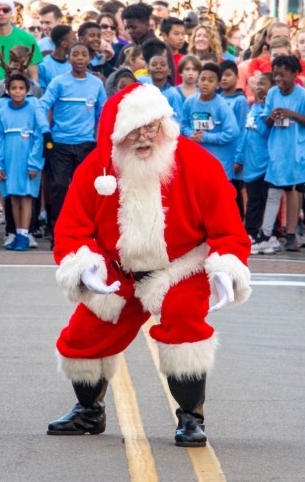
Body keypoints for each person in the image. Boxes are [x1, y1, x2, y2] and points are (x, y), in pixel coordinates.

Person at [47, 82, 251, 447]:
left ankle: (190, 417)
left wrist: (225, 267)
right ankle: (89, 411)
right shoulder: (97, 170)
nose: (143, 138)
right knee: (82, 336)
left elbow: (228, 230)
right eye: (133, 131)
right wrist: (85, 266)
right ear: (116, 134)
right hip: (118, 271)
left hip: (179, 268)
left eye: (151, 127)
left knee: (184, 324)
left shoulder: (198, 164)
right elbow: (71, 230)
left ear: (164, 124)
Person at [259, 55, 305, 257]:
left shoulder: (304, 96)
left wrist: (292, 114)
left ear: (294, 74)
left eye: (282, 75)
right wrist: (271, 117)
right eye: (275, 74)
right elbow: (266, 121)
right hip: (279, 153)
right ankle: (265, 236)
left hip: (301, 154)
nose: (278, 79)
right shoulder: (272, 94)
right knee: (273, 194)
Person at [40, 42, 106, 248]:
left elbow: (103, 112)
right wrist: (46, 132)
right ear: (68, 59)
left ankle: (85, 233)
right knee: (59, 186)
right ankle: (57, 232)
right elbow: (42, 106)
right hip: (60, 143)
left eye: (83, 54)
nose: (79, 58)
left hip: (86, 144)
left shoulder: (96, 84)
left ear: (90, 58)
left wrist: (100, 140)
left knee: (85, 190)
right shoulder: (59, 82)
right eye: (75, 54)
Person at [0, 74, 48, 251]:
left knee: (26, 197)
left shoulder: (34, 110)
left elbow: (39, 138)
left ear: (27, 90)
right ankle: (17, 233)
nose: (17, 92)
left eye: (21, 88)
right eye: (14, 88)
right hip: (9, 161)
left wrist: (34, 164)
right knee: (14, 197)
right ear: (7, 90)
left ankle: (25, 234)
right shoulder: (2, 112)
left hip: (27, 161)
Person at [180, 62, 240, 178]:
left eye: (210, 81)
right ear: (198, 80)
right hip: (197, 159)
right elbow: (183, 124)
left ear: (218, 85)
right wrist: (191, 134)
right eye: (203, 79)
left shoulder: (222, 106)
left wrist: (206, 137)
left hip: (219, 163)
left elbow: (233, 133)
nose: (205, 83)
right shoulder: (190, 102)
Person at [236, 72, 273, 253]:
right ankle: (250, 233)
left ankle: (263, 235)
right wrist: (239, 158)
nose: (258, 88)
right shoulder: (253, 109)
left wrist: (260, 107)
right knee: (252, 201)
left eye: (263, 84)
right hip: (250, 166)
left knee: (263, 202)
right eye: (257, 84)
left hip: (265, 166)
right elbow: (245, 135)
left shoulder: (269, 111)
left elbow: (265, 132)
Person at [0, 0, 42, 87]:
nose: (1, 13)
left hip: (20, 94)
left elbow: (34, 75)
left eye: (5, 10)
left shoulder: (27, 39)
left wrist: (31, 94)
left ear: (11, 12)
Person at [218, 60, 249, 217]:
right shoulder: (217, 99)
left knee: (235, 193)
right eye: (221, 75)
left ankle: (238, 225)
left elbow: (243, 130)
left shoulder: (240, 100)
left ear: (237, 77)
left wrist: (239, 157)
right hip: (220, 155)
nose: (224, 78)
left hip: (234, 157)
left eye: (228, 75)